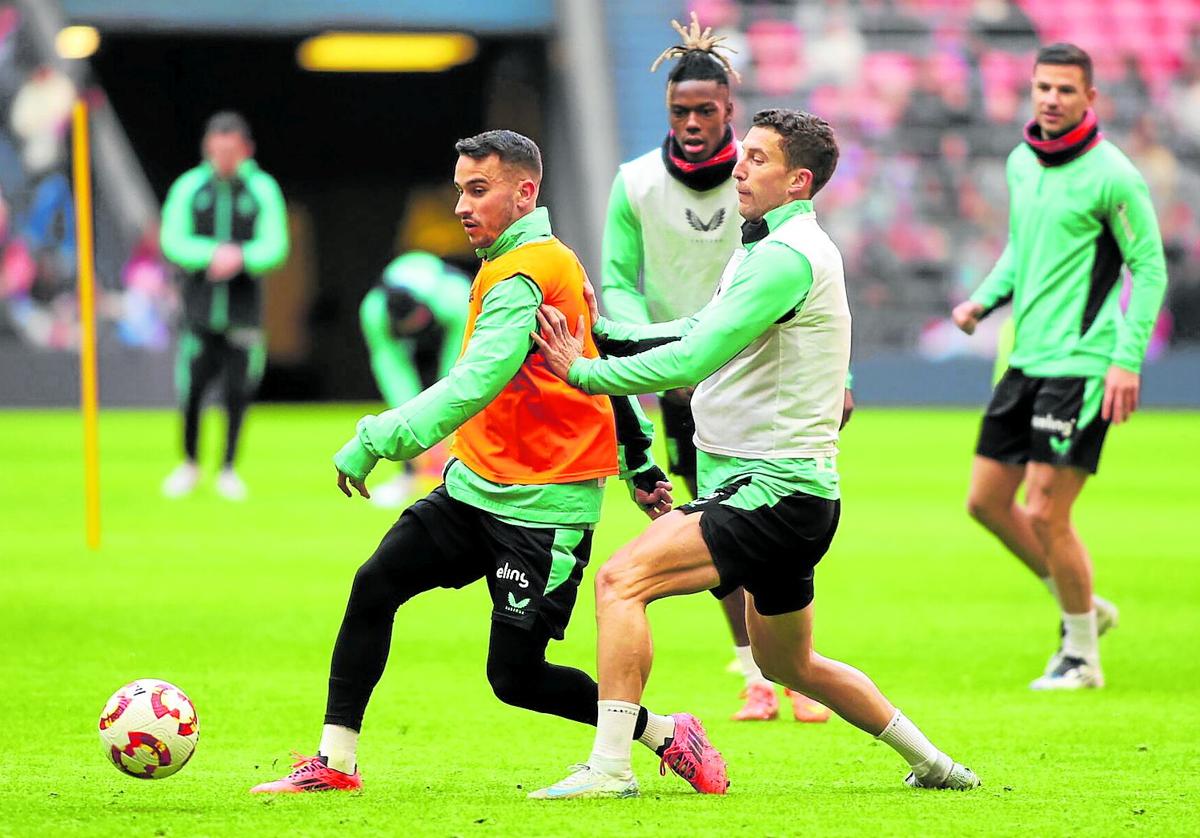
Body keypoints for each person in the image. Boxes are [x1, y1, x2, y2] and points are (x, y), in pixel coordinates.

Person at [249, 130, 724, 796]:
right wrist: (641, 464)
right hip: (473, 489)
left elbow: (476, 380)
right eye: (459, 192)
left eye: (479, 190)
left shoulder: (529, 272)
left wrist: (376, 438)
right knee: (375, 584)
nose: (463, 207)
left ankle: (664, 733)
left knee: (516, 679)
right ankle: (335, 761)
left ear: (524, 192)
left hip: (542, 509)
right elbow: (600, 363)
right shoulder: (520, 260)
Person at [529, 109, 979, 799]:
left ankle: (612, 768)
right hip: (798, 498)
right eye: (745, 155)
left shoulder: (783, 257)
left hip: (770, 493)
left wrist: (582, 371)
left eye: (759, 159)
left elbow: (695, 357)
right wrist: (606, 331)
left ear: (798, 181)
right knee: (788, 663)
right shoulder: (770, 247)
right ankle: (936, 764)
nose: (740, 166)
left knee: (621, 582)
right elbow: (701, 326)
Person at [603, 12, 845, 723]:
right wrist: (651, 349)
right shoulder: (637, 183)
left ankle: (788, 670)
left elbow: (816, 302)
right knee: (721, 524)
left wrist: (844, 381)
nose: (693, 123)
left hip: (757, 374)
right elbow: (617, 276)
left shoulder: (764, 180)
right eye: (680, 111)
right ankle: (757, 673)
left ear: (728, 111)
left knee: (767, 513)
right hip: (678, 373)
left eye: (706, 111)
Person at [952, 43, 1167, 690]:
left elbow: (1150, 268)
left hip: (1083, 363)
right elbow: (1023, 249)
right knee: (987, 503)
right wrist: (984, 299)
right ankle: (1083, 606)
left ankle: (1081, 656)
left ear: (1089, 99)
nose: (1051, 98)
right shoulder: (1023, 162)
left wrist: (1126, 361)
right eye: (1043, 87)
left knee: (1046, 511)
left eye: (1065, 90)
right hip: (1025, 358)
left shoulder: (1115, 176)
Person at [159, 112, 289, 501]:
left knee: (238, 390)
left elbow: (275, 245)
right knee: (193, 389)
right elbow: (173, 240)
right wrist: (210, 254)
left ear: (245, 151)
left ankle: (229, 468)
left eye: (231, 151)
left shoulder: (262, 189)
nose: (223, 158)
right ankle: (189, 463)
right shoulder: (189, 187)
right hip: (197, 309)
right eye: (217, 150)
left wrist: (242, 257)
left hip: (243, 311)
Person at [359, 251, 470, 507]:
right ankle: (410, 474)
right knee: (411, 410)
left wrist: (444, 418)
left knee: (465, 401)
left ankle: (467, 472)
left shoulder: (454, 298)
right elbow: (393, 372)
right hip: (411, 347)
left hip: (453, 332)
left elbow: (461, 368)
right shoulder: (374, 312)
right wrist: (412, 426)